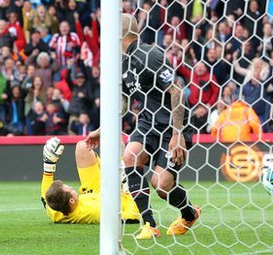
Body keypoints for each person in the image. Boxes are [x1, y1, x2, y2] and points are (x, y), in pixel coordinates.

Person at [85, 14, 200, 240]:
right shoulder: (122, 63)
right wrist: (103, 129)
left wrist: (177, 134)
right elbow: (125, 101)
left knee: (162, 184)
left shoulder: (150, 55)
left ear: (118, 33)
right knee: (130, 156)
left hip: (172, 127)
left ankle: (189, 213)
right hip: (148, 123)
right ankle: (149, 224)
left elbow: (176, 92)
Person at [41, 137, 140, 224]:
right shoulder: (93, 212)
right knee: (122, 151)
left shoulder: (56, 211)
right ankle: (119, 162)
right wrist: (128, 184)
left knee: (83, 147)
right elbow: (133, 217)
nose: (72, 187)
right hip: (117, 197)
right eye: (70, 190)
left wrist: (49, 164)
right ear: (71, 200)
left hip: (93, 191)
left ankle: (115, 163)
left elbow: (45, 196)